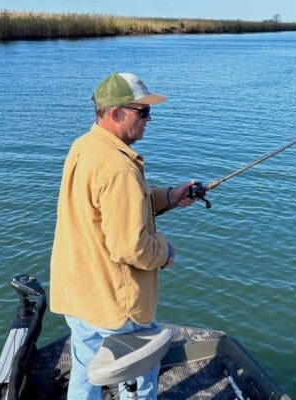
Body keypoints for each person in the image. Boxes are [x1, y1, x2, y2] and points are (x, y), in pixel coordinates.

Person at [49, 72, 195, 399]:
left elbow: (112, 210)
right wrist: (166, 252)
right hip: (116, 304)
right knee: (143, 372)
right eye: (142, 112)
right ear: (116, 114)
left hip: (80, 295)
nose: (149, 119)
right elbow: (131, 246)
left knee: (85, 373)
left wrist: (170, 196)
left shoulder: (84, 147)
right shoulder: (119, 168)